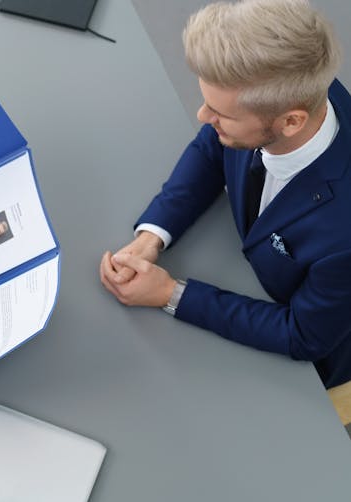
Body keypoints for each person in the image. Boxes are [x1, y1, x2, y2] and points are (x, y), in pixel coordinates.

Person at [100, 0, 351, 394]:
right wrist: (153, 237)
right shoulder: (297, 93)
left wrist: (171, 294)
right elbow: (213, 149)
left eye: (221, 113)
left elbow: (304, 336)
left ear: (291, 121)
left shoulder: (344, 239)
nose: (202, 116)